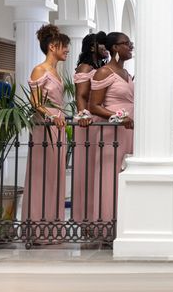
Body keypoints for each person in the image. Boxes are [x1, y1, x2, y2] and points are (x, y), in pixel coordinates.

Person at [23, 25, 70, 236]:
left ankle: (52, 226)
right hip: (45, 128)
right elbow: (35, 103)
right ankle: (38, 228)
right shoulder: (40, 70)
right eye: (64, 46)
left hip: (58, 127)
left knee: (56, 175)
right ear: (52, 46)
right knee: (43, 175)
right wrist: (52, 116)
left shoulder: (56, 72)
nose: (67, 50)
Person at [88, 32, 134, 225]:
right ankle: (107, 224)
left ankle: (126, 223)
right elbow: (94, 106)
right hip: (111, 132)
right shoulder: (104, 72)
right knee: (109, 176)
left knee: (127, 175)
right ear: (115, 48)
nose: (131, 46)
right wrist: (118, 117)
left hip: (129, 131)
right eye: (127, 43)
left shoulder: (126, 73)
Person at [71, 31, 108, 225]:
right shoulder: (85, 67)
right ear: (93, 47)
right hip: (88, 123)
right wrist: (83, 116)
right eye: (102, 44)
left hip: (99, 122)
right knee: (87, 171)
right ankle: (85, 220)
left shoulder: (101, 67)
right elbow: (81, 95)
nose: (105, 48)